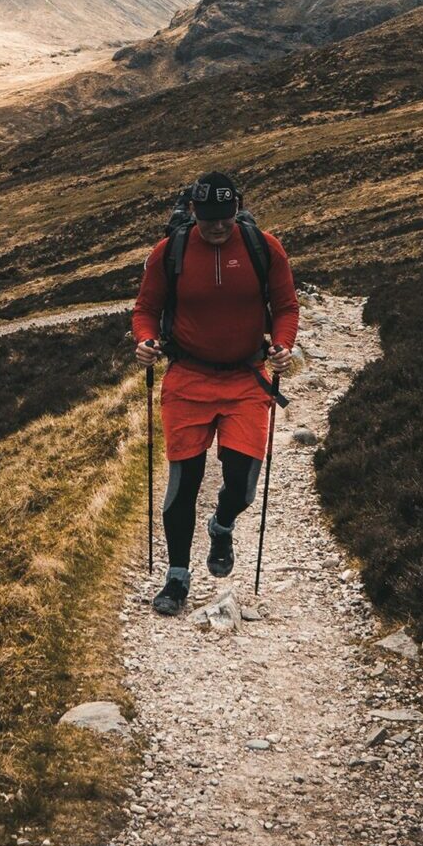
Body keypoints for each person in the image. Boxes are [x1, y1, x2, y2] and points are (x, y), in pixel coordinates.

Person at [132, 170, 299, 615]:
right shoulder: (172, 251)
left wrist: (282, 345)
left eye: (225, 217)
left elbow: (284, 306)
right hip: (188, 378)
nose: (218, 226)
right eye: (208, 219)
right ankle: (177, 577)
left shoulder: (265, 248)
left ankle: (222, 525)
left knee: (243, 483)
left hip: (246, 379)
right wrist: (146, 340)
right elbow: (147, 308)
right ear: (193, 212)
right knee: (183, 482)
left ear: (237, 209)